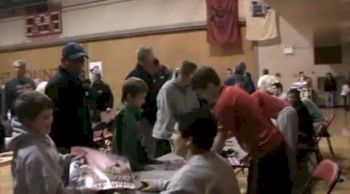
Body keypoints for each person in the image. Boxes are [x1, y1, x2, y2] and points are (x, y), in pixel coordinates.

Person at [191, 67, 291, 194]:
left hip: (266, 152)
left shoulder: (223, 103)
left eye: (201, 94)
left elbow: (219, 141)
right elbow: (236, 127)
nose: (202, 98)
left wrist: (203, 165)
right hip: (273, 146)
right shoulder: (232, 90)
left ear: (210, 86)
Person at [7, 91, 95, 194]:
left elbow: (53, 159)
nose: (51, 121)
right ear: (28, 121)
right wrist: (83, 192)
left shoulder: (40, 135)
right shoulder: (35, 155)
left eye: (51, 115)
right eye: (45, 117)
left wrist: (69, 158)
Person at [141, 108, 241, 194]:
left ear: (189, 140)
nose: (172, 137)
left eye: (176, 132)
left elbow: (185, 182)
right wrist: (159, 185)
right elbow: (186, 185)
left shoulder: (189, 175)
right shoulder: (220, 162)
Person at [45, 42, 93, 153]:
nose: (79, 65)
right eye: (75, 61)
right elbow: (56, 120)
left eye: (81, 61)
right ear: (64, 61)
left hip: (81, 144)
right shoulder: (56, 84)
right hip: (66, 146)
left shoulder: (77, 81)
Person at [153, 61, 199, 157]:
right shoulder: (168, 89)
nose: (190, 82)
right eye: (189, 79)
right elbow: (168, 116)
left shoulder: (192, 88)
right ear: (182, 75)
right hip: (166, 136)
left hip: (184, 135)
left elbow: (195, 109)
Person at [113, 77, 149, 171]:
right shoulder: (125, 117)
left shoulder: (136, 113)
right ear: (129, 97)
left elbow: (139, 145)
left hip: (135, 164)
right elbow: (125, 148)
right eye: (141, 98)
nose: (144, 101)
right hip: (128, 168)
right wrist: (139, 167)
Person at [2, 60, 36, 135]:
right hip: (16, 116)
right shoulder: (10, 84)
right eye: (16, 67)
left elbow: (35, 97)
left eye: (20, 67)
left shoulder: (30, 82)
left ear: (24, 69)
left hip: (31, 115)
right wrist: (4, 117)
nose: (18, 69)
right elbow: (5, 101)